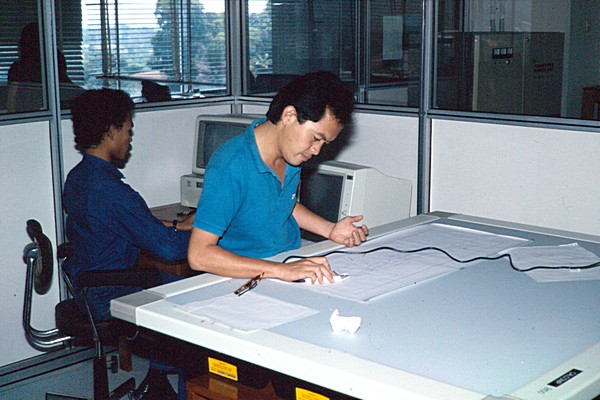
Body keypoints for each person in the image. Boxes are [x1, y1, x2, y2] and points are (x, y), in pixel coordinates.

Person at [62, 88, 193, 399]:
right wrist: (207, 232)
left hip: (87, 286)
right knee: (191, 297)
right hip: (110, 292)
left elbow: (120, 225)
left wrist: (176, 225)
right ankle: (174, 386)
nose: (129, 138)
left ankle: (157, 381)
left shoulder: (78, 177)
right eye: (127, 130)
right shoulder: (111, 190)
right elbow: (171, 249)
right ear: (111, 131)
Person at [188, 71, 368, 284]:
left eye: (324, 143)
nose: (316, 150)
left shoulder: (291, 155)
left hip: (284, 259)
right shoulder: (230, 165)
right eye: (315, 138)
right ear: (288, 116)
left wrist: (330, 230)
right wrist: (282, 271)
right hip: (243, 275)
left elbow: (283, 204)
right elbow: (199, 255)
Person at [7, 22, 83, 112]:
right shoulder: (55, 59)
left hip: (34, 114)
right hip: (56, 111)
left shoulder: (19, 68)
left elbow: (11, 103)